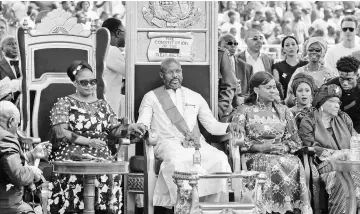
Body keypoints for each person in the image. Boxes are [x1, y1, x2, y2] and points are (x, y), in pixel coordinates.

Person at [128, 58, 240, 209]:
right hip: (166, 143)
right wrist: (139, 127)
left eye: (178, 71)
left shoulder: (195, 96)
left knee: (219, 158)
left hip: (195, 144)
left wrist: (229, 126)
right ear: (162, 75)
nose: (175, 76)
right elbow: (144, 122)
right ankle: (184, 208)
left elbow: (212, 125)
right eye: (170, 72)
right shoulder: (151, 97)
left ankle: (213, 209)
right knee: (178, 160)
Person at [47, 60, 128, 214]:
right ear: (74, 83)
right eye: (84, 82)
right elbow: (60, 133)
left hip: (101, 152)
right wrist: (89, 141)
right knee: (74, 174)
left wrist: (129, 129)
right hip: (71, 151)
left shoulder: (103, 104)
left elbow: (115, 130)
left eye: (93, 81)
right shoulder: (64, 102)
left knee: (109, 172)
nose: (89, 85)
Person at [229, 71, 312, 214]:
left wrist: (285, 147)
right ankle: (266, 209)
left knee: (295, 162)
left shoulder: (283, 110)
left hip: (281, 154)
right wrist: (261, 147)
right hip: (254, 155)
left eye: (274, 87)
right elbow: (236, 141)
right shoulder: (244, 110)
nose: (273, 90)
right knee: (271, 163)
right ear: (256, 90)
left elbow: (296, 141)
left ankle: (290, 209)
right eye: (268, 87)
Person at [299, 84, 359, 214]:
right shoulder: (309, 121)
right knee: (343, 181)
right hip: (325, 165)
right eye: (332, 101)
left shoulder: (344, 118)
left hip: (350, 163)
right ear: (321, 103)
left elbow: (355, 140)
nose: (337, 105)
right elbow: (310, 147)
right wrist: (338, 153)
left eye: (338, 102)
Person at [0, 100, 52, 214]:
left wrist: (31, 154)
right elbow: (18, 175)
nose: (16, 130)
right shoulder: (5, 138)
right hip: (7, 206)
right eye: (17, 125)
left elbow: (4, 164)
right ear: (11, 121)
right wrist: (32, 172)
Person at [286, 37, 332, 106]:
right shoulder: (299, 71)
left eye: (317, 50)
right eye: (311, 50)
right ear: (307, 51)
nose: (314, 52)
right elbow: (290, 94)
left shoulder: (328, 73)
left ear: (322, 52)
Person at [218, 33, 253, 115]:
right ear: (219, 44)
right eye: (229, 43)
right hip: (220, 110)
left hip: (241, 112)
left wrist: (242, 99)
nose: (233, 45)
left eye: (235, 43)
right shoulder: (214, 65)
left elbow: (251, 93)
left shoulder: (247, 67)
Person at [325, 56, 360, 133]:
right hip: (335, 127)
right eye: (342, 79)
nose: (345, 83)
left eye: (349, 79)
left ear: (357, 76)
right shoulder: (330, 86)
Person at [102, 18, 126, 118]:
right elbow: (130, 73)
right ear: (118, 33)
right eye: (125, 32)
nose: (126, 36)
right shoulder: (112, 50)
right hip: (109, 106)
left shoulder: (103, 48)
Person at [0, 36, 22, 105]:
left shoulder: (27, 63)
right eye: (10, 44)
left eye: (16, 44)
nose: (15, 46)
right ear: (2, 49)